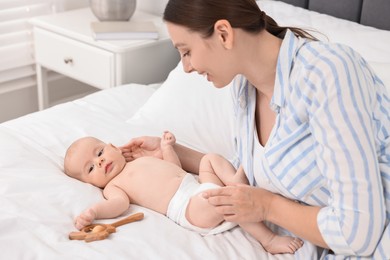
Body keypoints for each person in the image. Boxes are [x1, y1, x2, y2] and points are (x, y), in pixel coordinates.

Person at [120, 0, 390, 259]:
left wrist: (266, 206)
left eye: (187, 51)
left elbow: (358, 230)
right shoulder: (244, 89)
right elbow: (245, 177)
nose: (187, 67)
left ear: (224, 33)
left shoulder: (327, 71)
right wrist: (170, 150)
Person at [64, 131, 304, 254]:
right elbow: (119, 205)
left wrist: (167, 148)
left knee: (210, 160)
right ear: (91, 183)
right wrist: (94, 212)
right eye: (91, 168)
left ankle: (233, 180)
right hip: (187, 208)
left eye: (99, 152)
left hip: (196, 187)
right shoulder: (114, 186)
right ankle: (268, 239)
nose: (101, 161)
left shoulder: (140, 161)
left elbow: (175, 169)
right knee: (228, 203)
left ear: (113, 146)